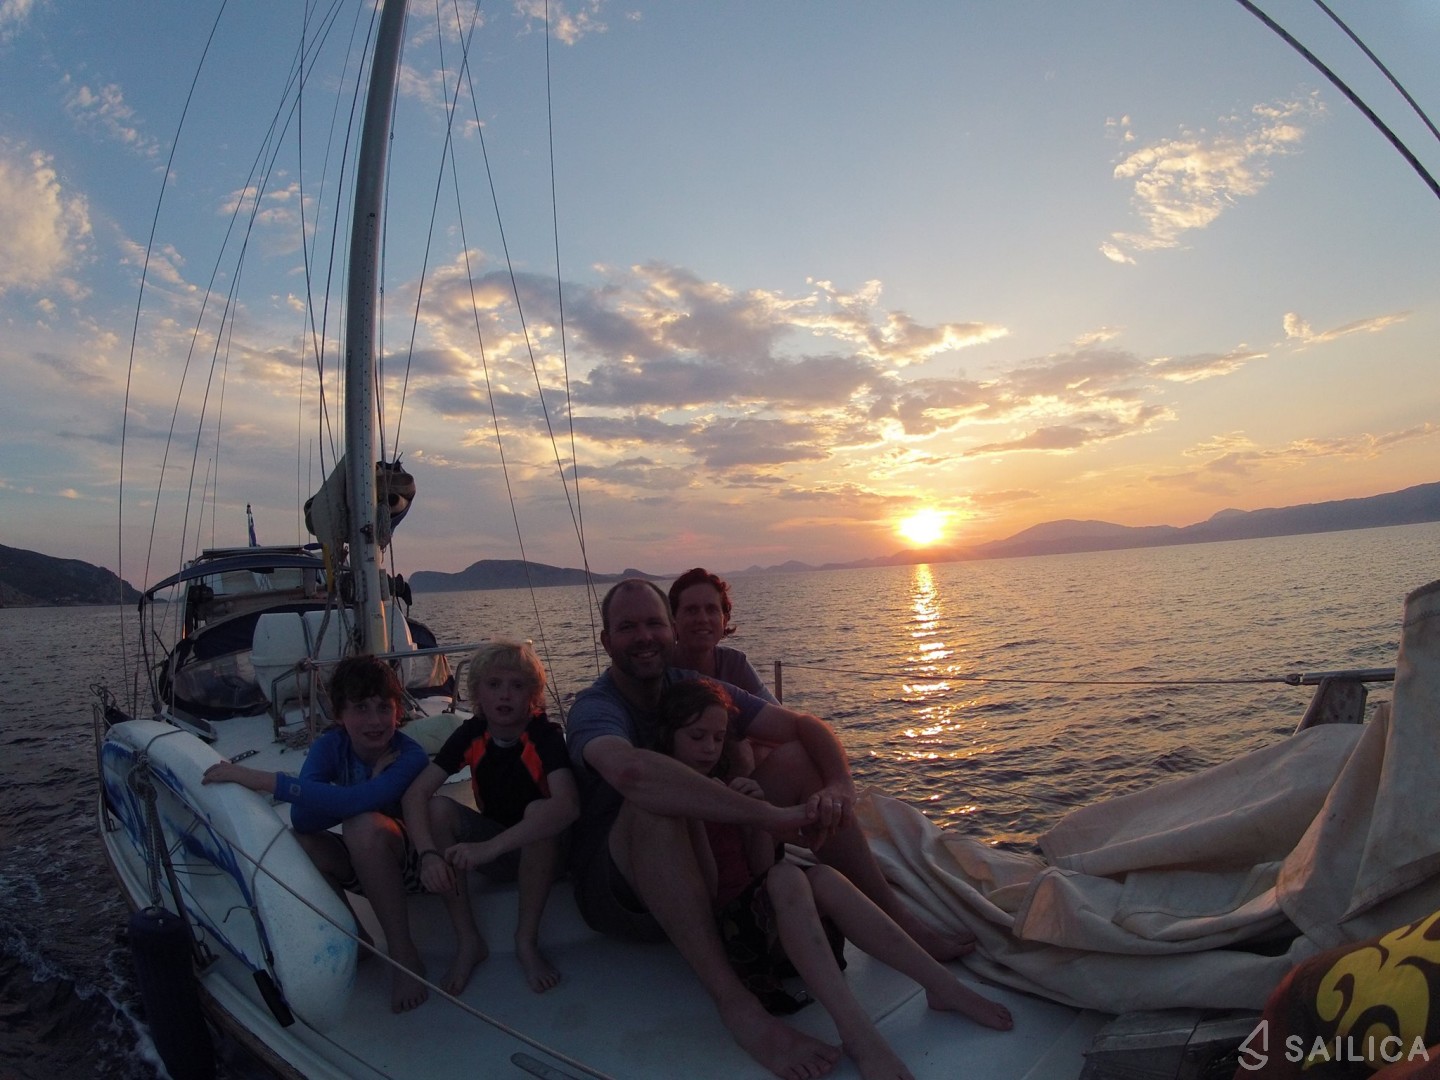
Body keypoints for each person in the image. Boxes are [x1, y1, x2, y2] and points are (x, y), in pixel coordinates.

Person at [565, 578, 974, 1080]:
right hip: (623, 891)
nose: (644, 636)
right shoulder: (596, 707)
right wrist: (767, 817)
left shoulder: (691, 688)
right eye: (628, 627)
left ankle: (896, 921)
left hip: (709, 869)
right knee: (653, 802)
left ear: (671, 631)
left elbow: (803, 726)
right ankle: (738, 1006)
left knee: (799, 758)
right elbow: (631, 772)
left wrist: (840, 786)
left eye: (654, 623)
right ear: (606, 641)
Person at [655, 679, 1012, 1080]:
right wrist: (703, 818)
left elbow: (758, 869)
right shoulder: (670, 802)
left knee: (822, 875)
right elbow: (704, 892)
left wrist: (753, 816)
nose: (709, 747)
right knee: (789, 877)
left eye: (718, 738)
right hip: (730, 941)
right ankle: (860, 1036)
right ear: (669, 737)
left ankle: (941, 984)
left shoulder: (726, 788)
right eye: (697, 736)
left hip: (765, 921)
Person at [201, 654, 432, 1013]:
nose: (375, 721)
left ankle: (405, 956)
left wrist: (260, 779)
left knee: (361, 824)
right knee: (300, 842)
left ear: (398, 712)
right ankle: (356, 938)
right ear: (339, 715)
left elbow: (357, 804)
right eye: (361, 708)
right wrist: (366, 787)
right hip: (366, 863)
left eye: (383, 708)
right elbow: (304, 818)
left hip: (417, 866)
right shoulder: (330, 747)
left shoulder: (409, 756)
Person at [401, 639, 578, 996]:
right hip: (501, 853)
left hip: (549, 855)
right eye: (494, 684)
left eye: (517, 685)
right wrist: (428, 854)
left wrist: (489, 848)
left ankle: (525, 940)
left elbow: (568, 806)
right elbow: (415, 795)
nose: (505, 695)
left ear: (533, 695)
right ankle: (468, 940)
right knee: (438, 808)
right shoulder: (473, 733)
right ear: (477, 693)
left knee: (541, 811)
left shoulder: (544, 735)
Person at [668, 567, 778, 703]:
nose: (703, 619)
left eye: (711, 609)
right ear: (673, 619)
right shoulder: (660, 668)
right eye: (691, 610)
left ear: (724, 620)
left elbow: (774, 709)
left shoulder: (735, 664)